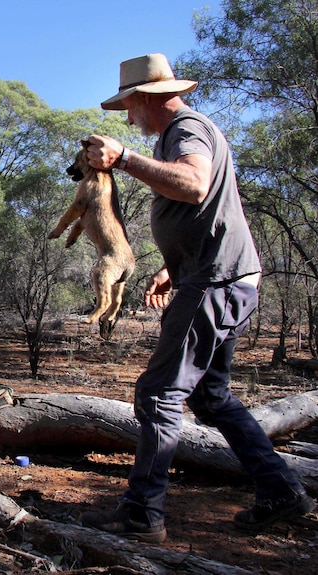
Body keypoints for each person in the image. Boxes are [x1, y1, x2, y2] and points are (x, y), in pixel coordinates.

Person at [78, 53, 315, 543]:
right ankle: (281, 490)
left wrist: (123, 157)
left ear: (146, 99)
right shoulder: (177, 134)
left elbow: (196, 184)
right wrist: (172, 266)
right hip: (217, 277)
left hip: (215, 283)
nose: (127, 118)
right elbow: (210, 210)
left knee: (159, 393)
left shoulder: (186, 129)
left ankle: (142, 515)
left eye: (129, 107)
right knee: (210, 396)